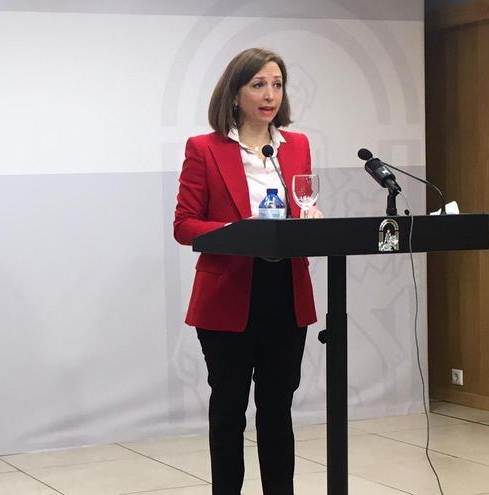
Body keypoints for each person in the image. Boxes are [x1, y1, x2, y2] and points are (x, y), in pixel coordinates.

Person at [173, 48, 322, 494]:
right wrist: (239, 231)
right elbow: (184, 225)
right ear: (235, 94)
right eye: (258, 84)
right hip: (229, 295)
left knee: (277, 408)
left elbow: (303, 203)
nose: (269, 94)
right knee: (229, 409)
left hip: (285, 290)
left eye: (277, 84)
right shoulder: (205, 148)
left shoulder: (295, 146)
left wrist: (311, 217)